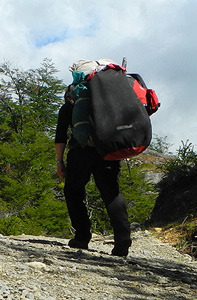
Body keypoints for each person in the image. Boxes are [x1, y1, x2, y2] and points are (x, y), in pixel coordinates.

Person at [55, 87, 132, 256]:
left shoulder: (69, 106)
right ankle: (122, 239)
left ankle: (82, 236)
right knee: (111, 193)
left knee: (73, 191)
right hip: (107, 151)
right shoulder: (107, 103)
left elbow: (60, 136)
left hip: (80, 152)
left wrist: (60, 162)